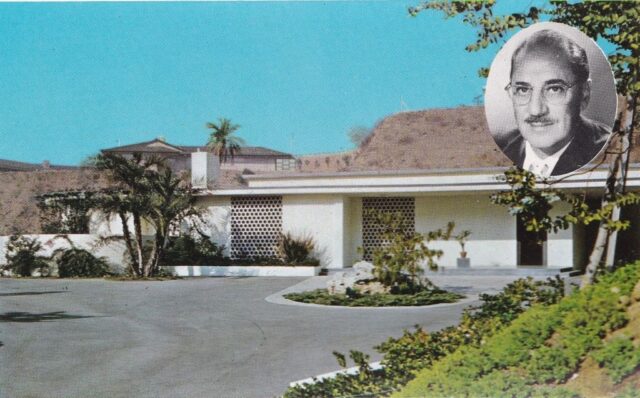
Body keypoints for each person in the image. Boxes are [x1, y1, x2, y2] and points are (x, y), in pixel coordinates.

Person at [501, 29, 611, 177]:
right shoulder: (504, 148)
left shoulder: (611, 149)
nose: (536, 110)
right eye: (522, 90)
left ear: (584, 93)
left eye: (554, 89)